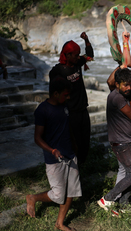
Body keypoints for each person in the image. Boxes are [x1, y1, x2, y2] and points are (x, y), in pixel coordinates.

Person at [26, 77, 81, 231]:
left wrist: (74, 144)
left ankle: (60, 223)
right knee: (58, 195)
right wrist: (51, 150)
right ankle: (33, 198)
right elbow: (37, 137)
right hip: (54, 159)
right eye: (65, 94)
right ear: (55, 93)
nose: (68, 97)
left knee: (71, 192)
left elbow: (67, 127)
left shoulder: (64, 106)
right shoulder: (43, 110)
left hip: (70, 154)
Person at [97, 68, 131, 216]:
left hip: (125, 141)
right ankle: (107, 199)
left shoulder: (120, 95)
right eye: (125, 85)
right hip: (121, 144)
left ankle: (121, 206)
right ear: (117, 84)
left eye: (130, 85)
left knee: (128, 174)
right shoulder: (117, 98)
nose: (129, 88)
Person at [49, 32, 94, 166]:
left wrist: (86, 40)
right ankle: (73, 167)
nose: (78, 57)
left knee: (85, 140)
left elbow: (90, 55)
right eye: (75, 55)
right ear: (67, 55)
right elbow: (53, 93)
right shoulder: (57, 71)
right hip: (70, 112)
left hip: (82, 109)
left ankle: (83, 165)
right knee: (74, 141)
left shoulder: (77, 64)